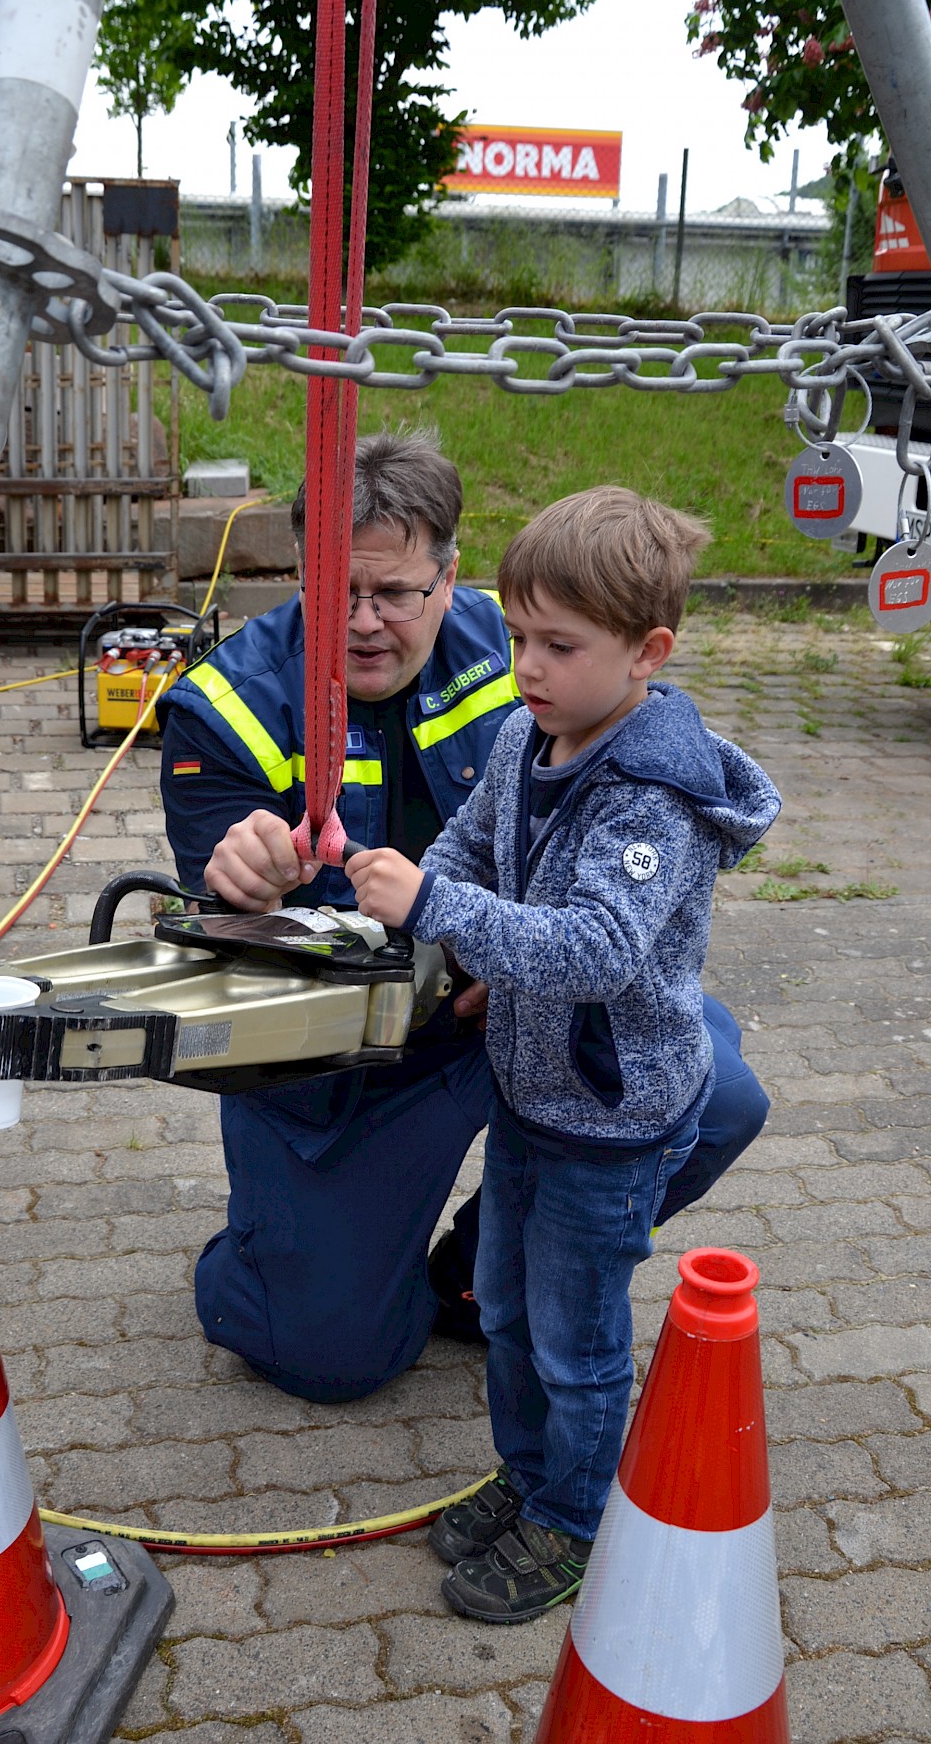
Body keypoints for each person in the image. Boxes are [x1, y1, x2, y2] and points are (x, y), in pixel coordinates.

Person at [158, 431, 770, 1403]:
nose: (364, 623)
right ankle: (275, 1260)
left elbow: (620, 819)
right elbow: (226, 965)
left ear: (450, 577)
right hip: (348, 1069)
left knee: (717, 1099)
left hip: (515, 1009)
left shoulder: (526, 648)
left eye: (396, 593)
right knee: (330, 1357)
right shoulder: (223, 709)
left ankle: (483, 1270)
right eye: (337, 590)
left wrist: (484, 944)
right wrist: (240, 889)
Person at [344, 486, 781, 1623]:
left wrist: (433, 903)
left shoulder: (651, 801)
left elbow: (595, 950)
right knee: (503, 1307)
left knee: (574, 1339)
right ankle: (532, 1475)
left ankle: (577, 1521)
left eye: (560, 646)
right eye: (519, 635)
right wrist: (424, 898)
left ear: (649, 654)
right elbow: (470, 846)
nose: (527, 666)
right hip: (532, 1095)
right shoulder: (525, 735)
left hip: (612, 1120)